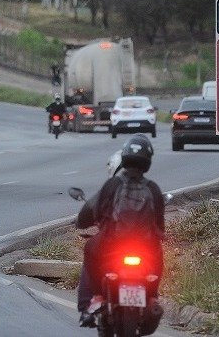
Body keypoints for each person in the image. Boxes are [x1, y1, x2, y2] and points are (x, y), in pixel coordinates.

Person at [75, 134, 166, 328]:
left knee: (89, 249)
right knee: (159, 257)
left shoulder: (113, 184)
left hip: (111, 245)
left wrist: (81, 223)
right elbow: (160, 225)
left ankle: (92, 300)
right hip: (145, 249)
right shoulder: (153, 189)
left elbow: (91, 210)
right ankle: (151, 296)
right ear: (148, 161)